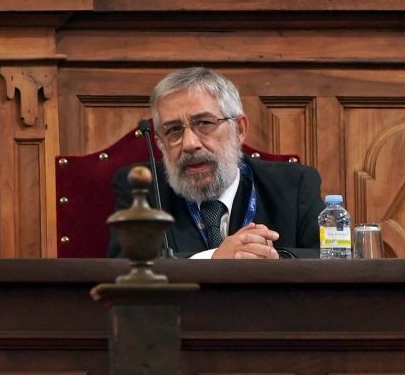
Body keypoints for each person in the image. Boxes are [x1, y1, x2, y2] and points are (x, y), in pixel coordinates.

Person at [110, 67, 323, 259]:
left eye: (204, 123)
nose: (190, 144)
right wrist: (214, 258)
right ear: (160, 143)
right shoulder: (142, 188)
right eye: (173, 130)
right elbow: (124, 269)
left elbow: (331, 258)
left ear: (239, 129)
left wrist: (272, 257)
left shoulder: (294, 185)